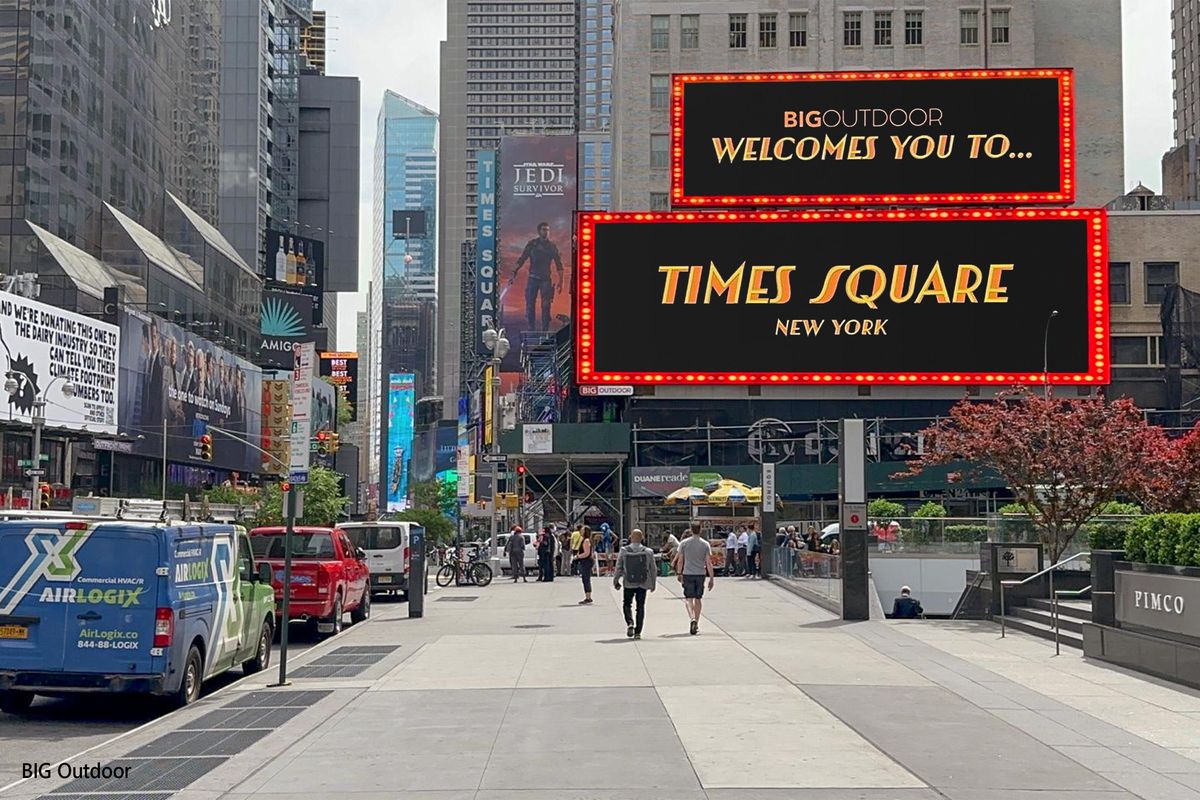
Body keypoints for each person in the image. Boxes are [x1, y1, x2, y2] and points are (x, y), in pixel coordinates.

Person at [510, 221, 564, 331]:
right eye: (544, 230)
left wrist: (561, 281)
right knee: (530, 305)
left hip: (545, 279)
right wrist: (513, 273)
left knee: (545, 306)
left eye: (548, 230)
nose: (546, 232)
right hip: (533, 278)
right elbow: (522, 259)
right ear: (539, 231)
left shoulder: (552, 247)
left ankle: (545, 329)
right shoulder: (532, 244)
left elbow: (559, 264)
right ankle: (531, 329)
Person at [613, 528, 657, 639]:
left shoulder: (624, 550)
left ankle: (630, 623)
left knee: (627, 604)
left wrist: (616, 580)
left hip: (628, 582)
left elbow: (619, 567)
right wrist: (653, 583)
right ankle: (638, 632)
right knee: (640, 606)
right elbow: (653, 569)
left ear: (631, 537)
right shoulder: (648, 552)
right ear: (642, 538)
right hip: (643, 582)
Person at [674, 524, 714, 636]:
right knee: (698, 598)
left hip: (688, 573)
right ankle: (696, 620)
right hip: (700, 573)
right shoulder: (705, 544)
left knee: (688, 598)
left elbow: (681, 560)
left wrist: (679, 572)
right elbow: (708, 562)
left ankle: (691, 618)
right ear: (700, 530)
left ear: (691, 530)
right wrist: (711, 577)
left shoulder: (684, 543)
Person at [573, 524, 595, 604]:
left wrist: (578, 556)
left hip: (586, 561)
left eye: (582, 530)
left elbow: (587, 553)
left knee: (586, 579)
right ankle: (587, 596)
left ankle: (588, 597)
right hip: (585, 561)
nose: (580, 531)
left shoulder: (586, 541)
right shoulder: (585, 539)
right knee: (585, 579)